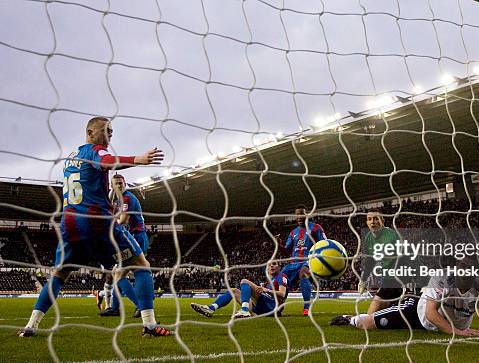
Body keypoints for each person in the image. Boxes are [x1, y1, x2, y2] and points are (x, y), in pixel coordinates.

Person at [19, 116, 171, 337]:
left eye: (111, 132)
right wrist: (139, 159)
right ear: (90, 133)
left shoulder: (71, 158)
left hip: (70, 225)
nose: (109, 135)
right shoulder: (95, 151)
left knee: (59, 275)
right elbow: (106, 160)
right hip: (97, 223)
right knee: (141, 266)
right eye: (105, 131)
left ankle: (30, 326)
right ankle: (149, 325)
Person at [331, 276, 479, 337]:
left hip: (445, 324)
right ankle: (349, 319)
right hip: (417, 313)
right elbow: (430, 312)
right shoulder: (443, 279)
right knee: (369, 324)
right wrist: (456, 332)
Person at [99, 174, 147, 318]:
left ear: (125, 183)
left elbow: (124, 220)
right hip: (129, 238)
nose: (119, 185)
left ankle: (140, 306)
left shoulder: (127, 198)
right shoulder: (118, 201)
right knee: (118, 274)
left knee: (120, 275)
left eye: (121, 183)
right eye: (116, 184)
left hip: (135, 238)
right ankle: (116, 308)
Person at [190, 261, 287, 318]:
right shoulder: (269, 280)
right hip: (262, 307)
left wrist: (266, 290)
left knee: (244, 281)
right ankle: (211, 308)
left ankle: (245, 310)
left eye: (274, 264)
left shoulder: (281, 276)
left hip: (272, 307)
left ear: (279, 267)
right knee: (233, 291)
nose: (271, 266)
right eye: (270, 265)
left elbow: (282, 294)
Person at [278, 204, 326, 316]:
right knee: (281, 277)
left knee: (303, 273)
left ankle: (306, 308)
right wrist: (278, 244)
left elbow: (325, 244)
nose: (299, 217)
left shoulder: (316, 228)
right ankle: (279, 306)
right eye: (297, 215)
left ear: (307, 214)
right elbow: (286, 251)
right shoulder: (293, 232)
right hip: (293, 263)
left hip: (308, 261)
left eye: (301, 214)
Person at [359, 209, 405, 314]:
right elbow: (370, 260)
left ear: (382, 221)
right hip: (387, 277)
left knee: (371, 313)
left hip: (397, 276)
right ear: (367, 222)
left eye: (376, 218)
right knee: (391, 310)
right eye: (369, 219)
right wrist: (364, 280)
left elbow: (404, 257)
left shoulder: (391, 236)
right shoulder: (368, 238)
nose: (372, 222)